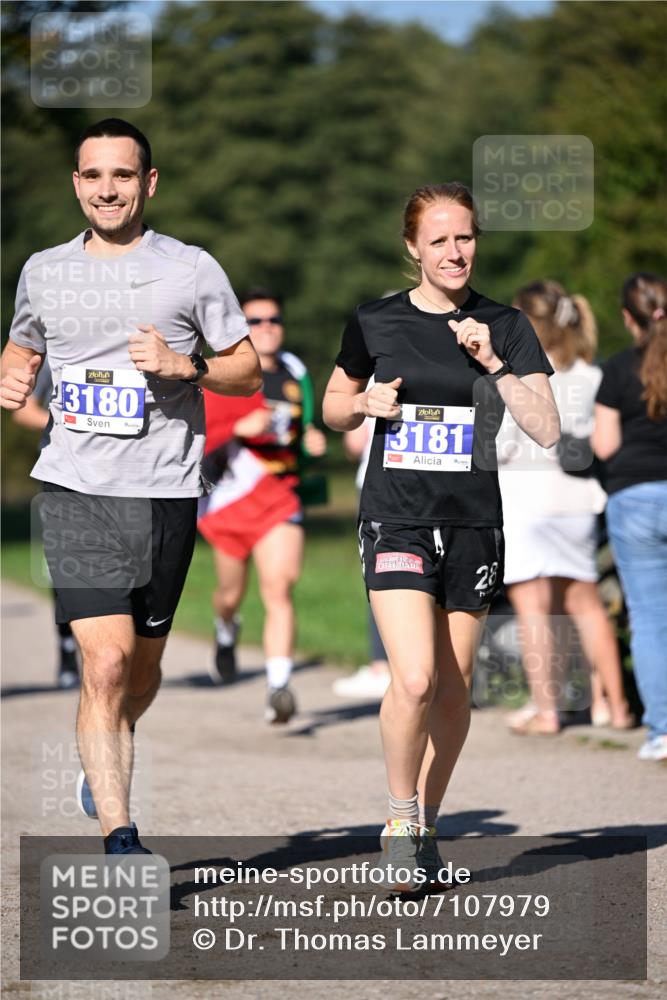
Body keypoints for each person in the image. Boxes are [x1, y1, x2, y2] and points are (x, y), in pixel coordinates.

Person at [0, 118, 261, 854]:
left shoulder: (190, 269)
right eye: (93, 175)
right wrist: (12, 378)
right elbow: (21, 348)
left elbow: (247, 368)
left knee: (140, 671)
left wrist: (187, 366)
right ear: (76, 183)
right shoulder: (44, 270)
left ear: (149, 183)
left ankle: (107, 741)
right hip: (75, 486)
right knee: (106, 662)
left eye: (122, 175)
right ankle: (120, 833)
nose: (106, 189)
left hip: (164, 488)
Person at [322, 182, 559, 889]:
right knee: (416, 678)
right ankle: (399, 819)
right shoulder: (376, 320)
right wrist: (362, 404)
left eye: (465, 238)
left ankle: (426, 823)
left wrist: (494, 364)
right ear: (413, 248)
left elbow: (547, 428)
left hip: (472, 522)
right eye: (439, 241)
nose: (455, 252)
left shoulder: (506, 324)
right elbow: (332, 406)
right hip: (396, 515)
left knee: (454, 693)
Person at [497, 281, 633, 734]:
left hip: (525, 501)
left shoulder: (518, 377)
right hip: (578, 504)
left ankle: (547, 710)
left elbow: (501, 446)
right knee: (587, 605)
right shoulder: (592, 376)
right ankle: (616, 707)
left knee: (534, 607)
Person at [198, 289, 326, 722]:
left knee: (279, 587)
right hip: (231, 499)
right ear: (241, 327)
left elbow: (301, 430)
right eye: (255, 321)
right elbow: (195, 439)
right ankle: (226, 628)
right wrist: (238, 428)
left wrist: (311, 442)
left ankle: (278, 686)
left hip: (280, 497)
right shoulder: (224, 373)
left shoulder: (295, 373)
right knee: (230, 594)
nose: (266, 327)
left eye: (274, 320)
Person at [592, 273, 667, 762]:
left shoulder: (618, 368)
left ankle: (662, 731)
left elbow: (605, 445)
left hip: (635, 498)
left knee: (650, 617)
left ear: (627, 317)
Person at [11, 357, 81, 689]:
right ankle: (67, 645)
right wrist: (71, 424)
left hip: (124, 476)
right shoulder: (55, 355)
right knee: (66, 569)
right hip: (65, 475)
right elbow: (23, 410)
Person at [332, 415, 390, 699]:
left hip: (379, 484)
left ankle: (382, 667)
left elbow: (355, 443)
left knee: (382, 577)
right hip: (445, 485)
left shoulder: (373, 385)